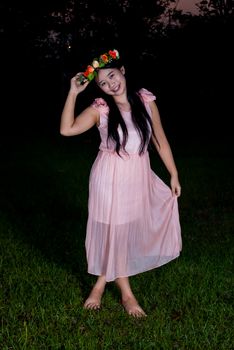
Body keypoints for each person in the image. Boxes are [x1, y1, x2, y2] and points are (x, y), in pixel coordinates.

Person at [60, 48, 182, 318]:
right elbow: (66, 129)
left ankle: (101, 283)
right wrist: (73, 93)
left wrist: (173, 173)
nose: (110, 84)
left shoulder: (145, 101)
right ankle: (126, 293)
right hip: (108, 177)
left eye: (112, 76)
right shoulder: (100, 109)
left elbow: (159, 140)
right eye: (103, 82)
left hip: (136, 176)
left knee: (124, 230)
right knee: (111, 228)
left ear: (123, 71)